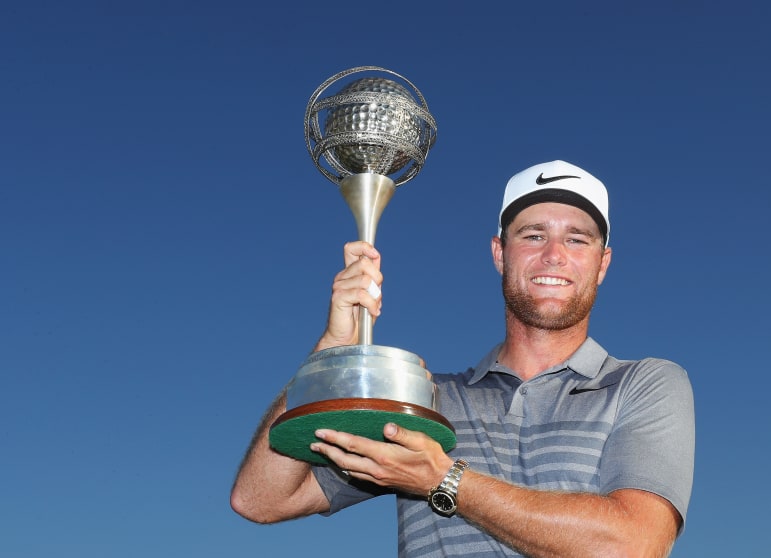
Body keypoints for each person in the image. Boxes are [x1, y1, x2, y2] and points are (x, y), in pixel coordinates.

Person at [231, 160, 695, 557]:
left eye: (577, 239)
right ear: (499, 253)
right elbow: (261, 499)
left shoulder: (644, 384)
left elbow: (635, 544)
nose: (554, 255)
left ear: (603, 263)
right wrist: (331, 350)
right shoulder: (425, 401)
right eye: (533, 235)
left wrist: (442, 478)